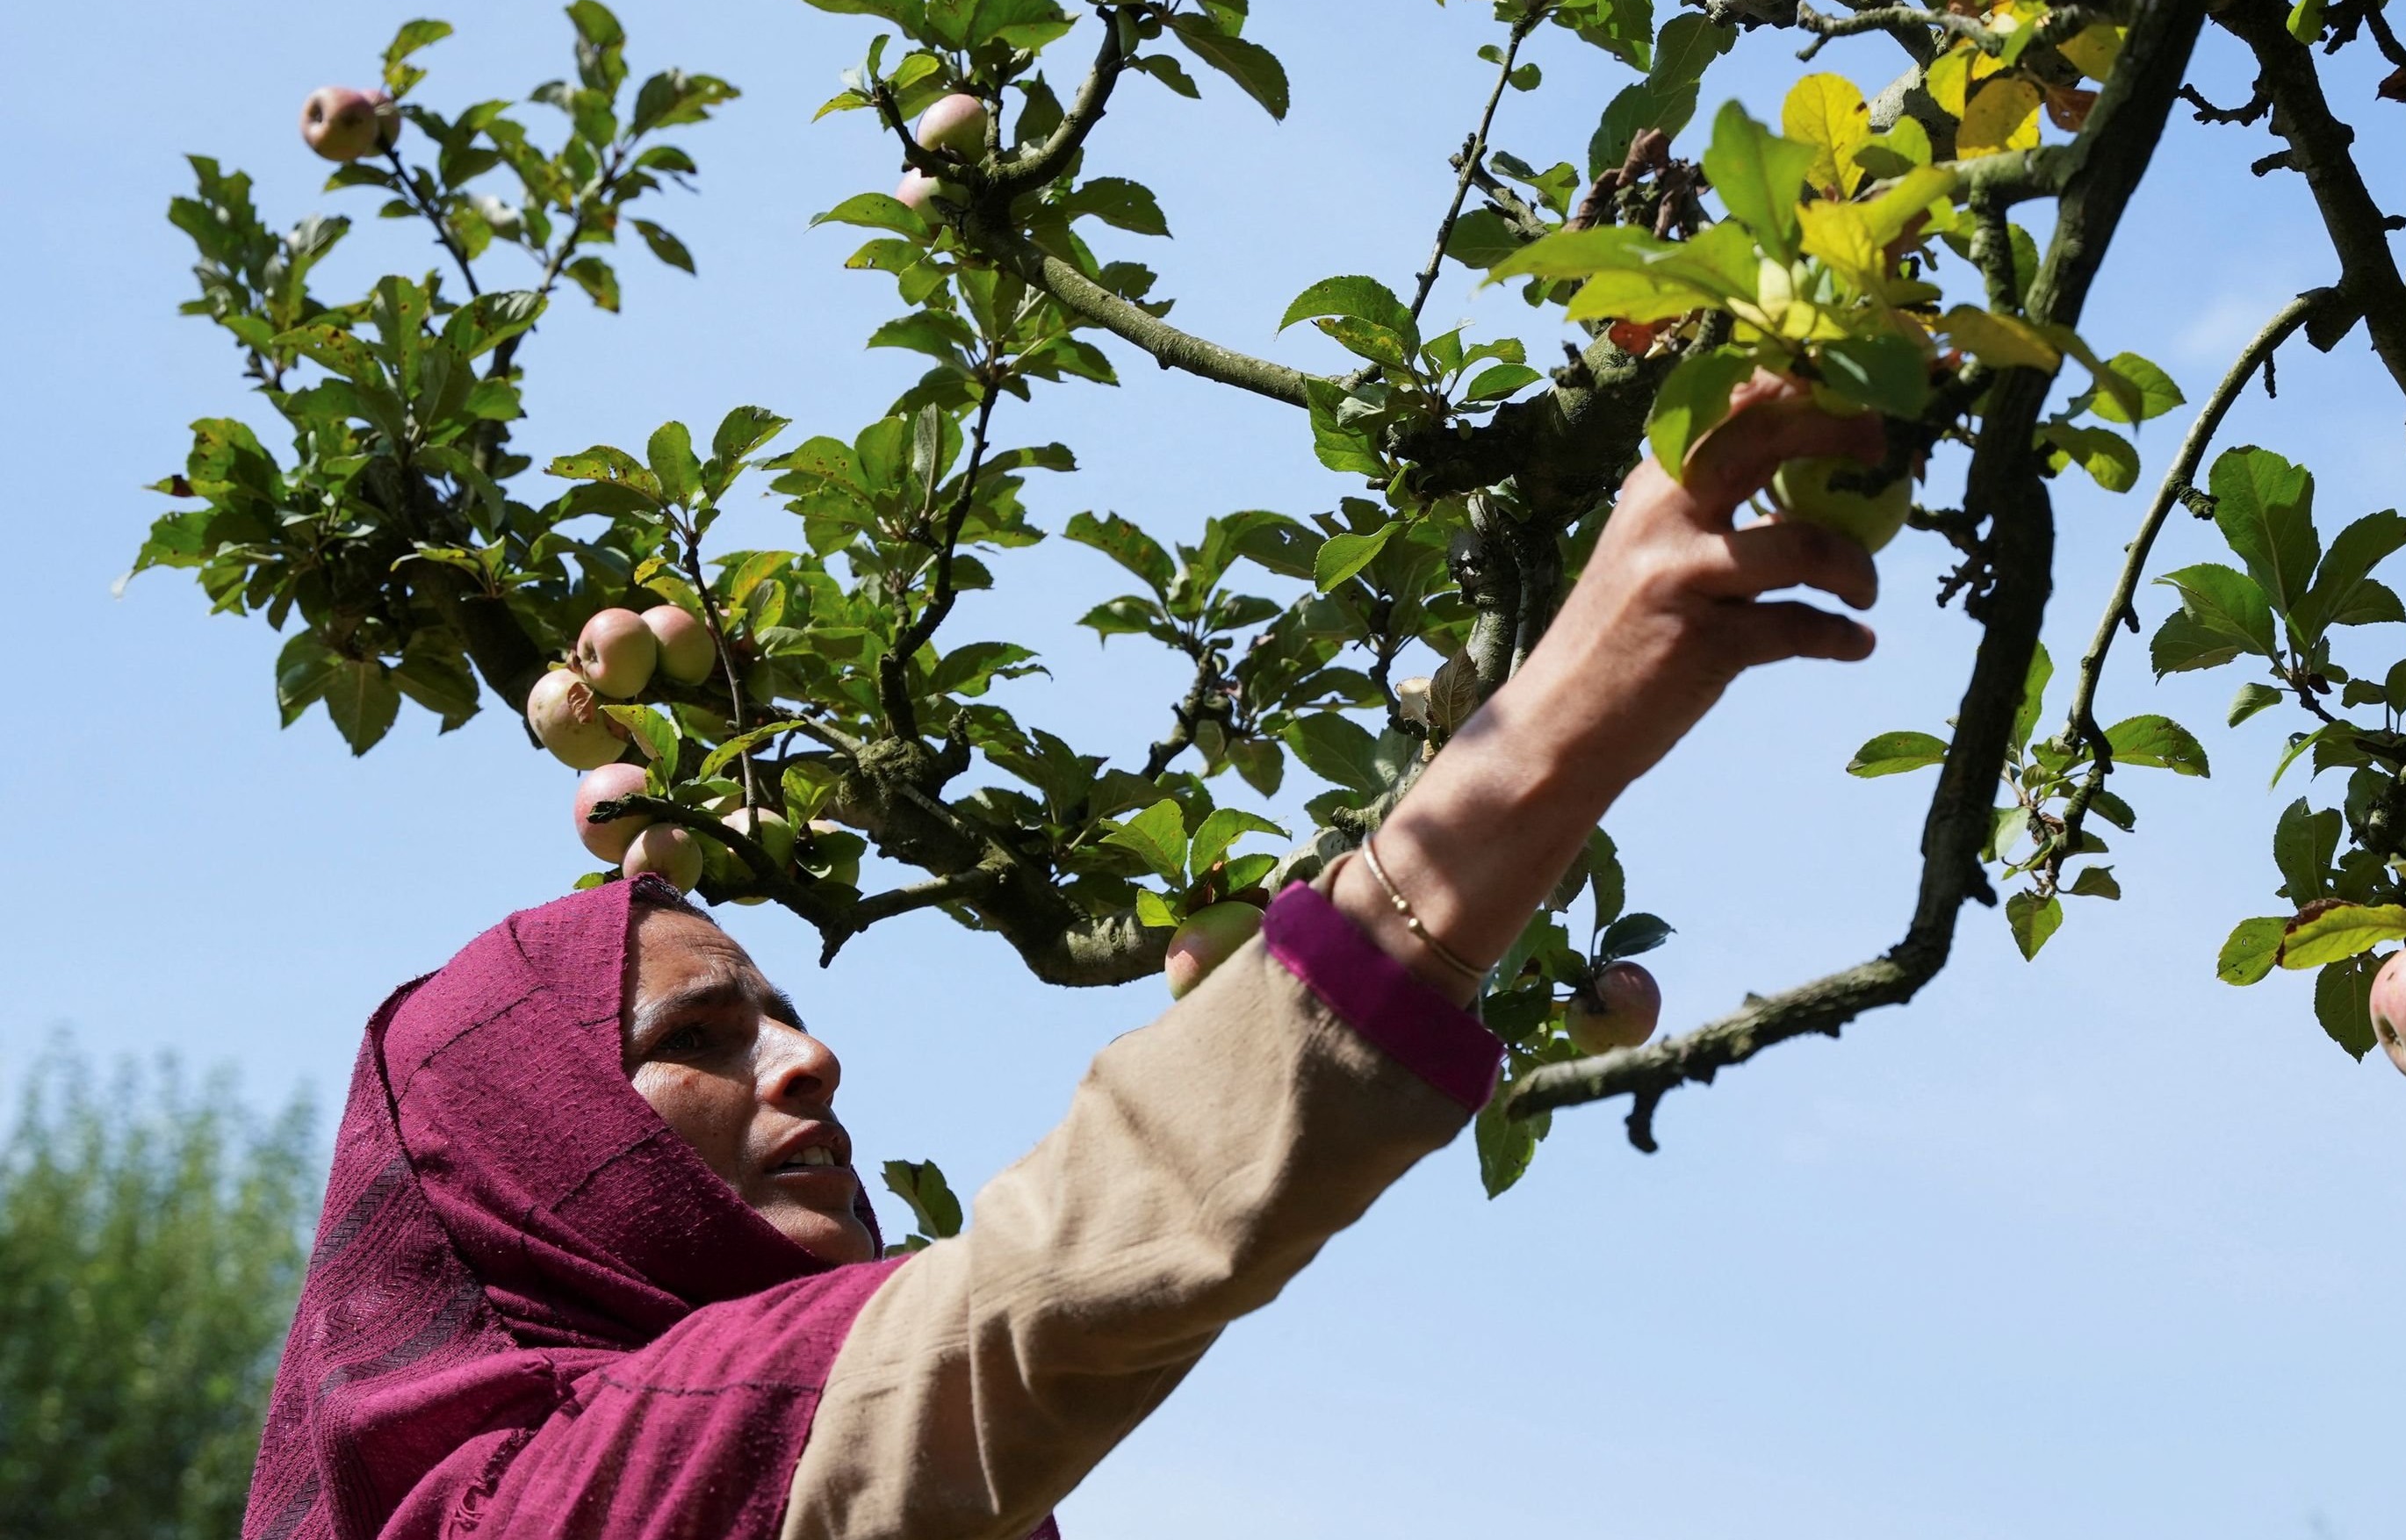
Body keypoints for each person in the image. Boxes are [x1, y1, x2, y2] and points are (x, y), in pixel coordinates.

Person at [245, 376, 1887, 1540]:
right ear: (530, 1171)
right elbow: (1055, 1277)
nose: (807, 1058)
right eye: (699, 1032)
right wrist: (1554, 729)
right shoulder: (553, 1516)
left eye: (790, 1011)